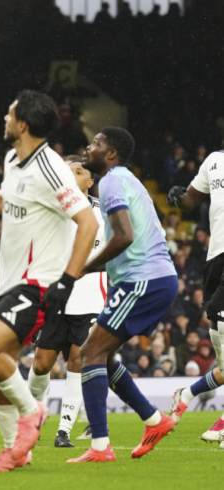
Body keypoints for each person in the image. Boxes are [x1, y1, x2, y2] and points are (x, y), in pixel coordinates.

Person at [0, 91, 98, 472]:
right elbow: (5, 195)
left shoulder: (52, 168)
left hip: (39, 283)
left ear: (23, 124)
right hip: (9, 282)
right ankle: (16, 452)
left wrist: (67, 279)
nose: (5, 117)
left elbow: (88, 222)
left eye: (10, 113)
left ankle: (32, 411)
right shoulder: (14, 159)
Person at [67, 127, 178, 463]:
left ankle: (100, 446)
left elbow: (125, 237)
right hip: (152, 279)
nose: (90, 146)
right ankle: (154, 419)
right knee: (103, 354)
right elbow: (135, 239)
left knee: (90, 352)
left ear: (111, 154)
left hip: (142, 281)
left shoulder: (112, 180)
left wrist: (84, 267)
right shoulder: (125, 179)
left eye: (97, 143)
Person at [29, 155, 107, 448]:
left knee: (77, 361)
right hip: (57, 300)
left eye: (78, 171)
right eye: (66, 171)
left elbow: (120, 248)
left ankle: (63, 431)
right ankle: (33, 414)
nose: (70, 175)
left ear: (90, 181)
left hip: (90, 301)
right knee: (41, 365)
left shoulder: (105, 214)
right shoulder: (51, 210)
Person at [166, 148, 224, 442]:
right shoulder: (214, 160)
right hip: (216, 258)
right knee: (223, 354)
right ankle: (186, 393)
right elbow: (192, 198)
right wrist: (179, 196)